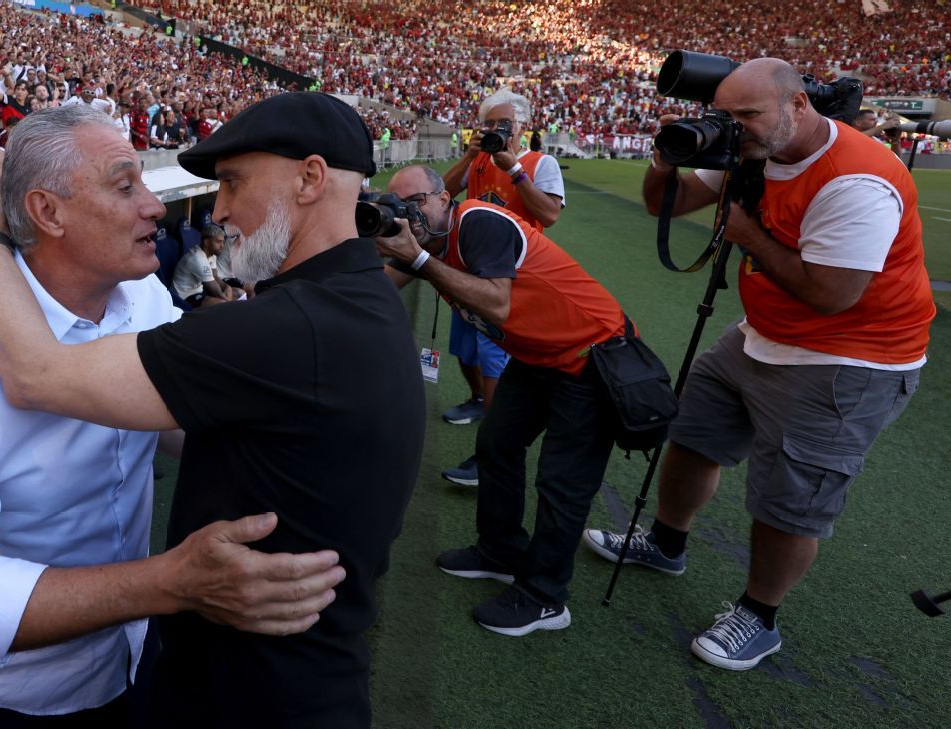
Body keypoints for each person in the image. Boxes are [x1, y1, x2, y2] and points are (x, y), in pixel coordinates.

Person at [0, 93, 424, 728]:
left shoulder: (292, 327)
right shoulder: (356, 301)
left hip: (251, 697)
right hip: (294, 682)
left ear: (310, 178)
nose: (221, 211)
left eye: (234, 182)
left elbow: (35, 373)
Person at [0, 103, 345, 726]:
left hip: (133, 657)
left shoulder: (141, 295)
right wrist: (173, 583)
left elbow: (179, 427)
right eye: (124, 184)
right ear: (47, 212)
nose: (156, 206)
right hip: (19, 698)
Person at [583, 58, 934, 671]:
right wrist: (665, 159)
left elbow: (832, 295)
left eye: (749, 115)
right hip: (762, 333)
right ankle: (666, 543)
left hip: (851, 356)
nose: (736, 127)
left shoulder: (856, 178)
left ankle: (759, 615)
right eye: (729, 115)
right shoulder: (755, 152)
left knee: (789, 498)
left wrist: (747, 237)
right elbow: (665, 203)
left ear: (799, 106)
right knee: (691, 437)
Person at [376, 164, 625, 637]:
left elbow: (496, 303)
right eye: (398, 207)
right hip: (540, 356)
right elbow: (378, 286)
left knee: (562, 483)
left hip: (591, 355)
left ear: (444, 200)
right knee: (496, 445)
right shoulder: (429, 241)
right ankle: (500, 552)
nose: (408, 216)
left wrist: (419, 261)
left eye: (416, 203)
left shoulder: (477, 221)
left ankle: (546, 598)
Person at [435, 89, 566, 486]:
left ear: (522, 126)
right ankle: (477, 400)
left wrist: (514, 170)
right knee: (464, 348)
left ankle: (487, 454)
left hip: (512, 276)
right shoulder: (477, 160)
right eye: (488, 123)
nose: (494, 130)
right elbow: (442, 195)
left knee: (494, 358)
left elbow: (549, 214)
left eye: (502, 124)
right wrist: (471, 154)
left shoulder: (541, 163)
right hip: (469, 268)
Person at [171, 224, 234, 307]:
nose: (222, 246)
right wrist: (229, 303)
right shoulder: (197, 258)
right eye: (218, 242)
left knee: (238, 293)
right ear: (207, 242)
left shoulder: (212, 254)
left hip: (199, 291)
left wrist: (227, 287)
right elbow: (213, 288)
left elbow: (215, 277)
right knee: (222, 304)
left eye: (223, 241)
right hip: (184, 296)